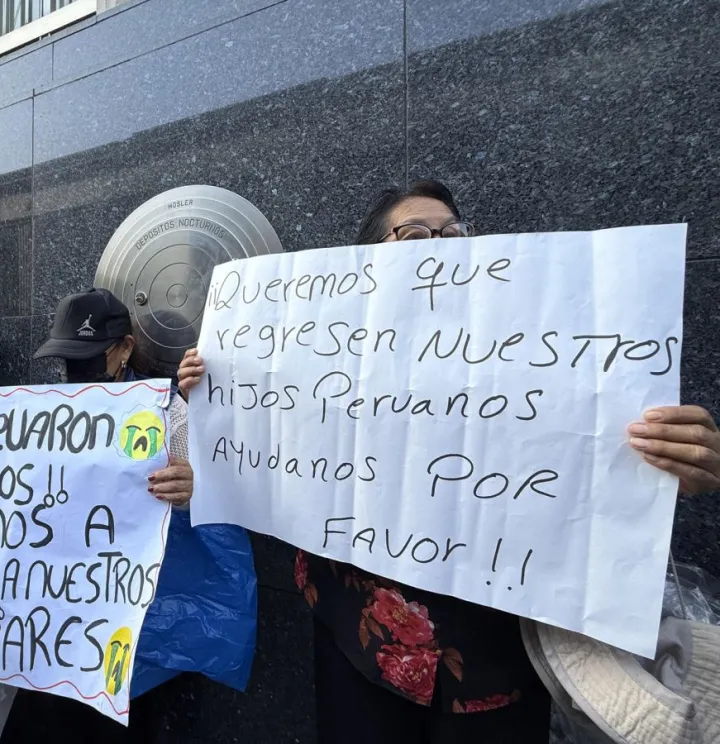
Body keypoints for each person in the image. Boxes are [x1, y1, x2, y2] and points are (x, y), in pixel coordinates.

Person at [176, 179, 720, 744]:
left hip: (496, 660)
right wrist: (217, 393)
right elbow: (261, 459)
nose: (438, 247)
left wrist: (669, 465)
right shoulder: (308, 357)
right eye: (412, 234)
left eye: (452, 233)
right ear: (364, 263)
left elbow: (592, 460)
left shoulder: (540, 350)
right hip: (356, 640)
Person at [30, 288, 257, 744]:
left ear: (125, 349)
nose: (77, 371)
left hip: (134, 614)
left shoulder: (168, 411)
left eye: (90, 357)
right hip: (57, 607)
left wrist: (194, 489)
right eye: (68, 360)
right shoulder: (42, 411)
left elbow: (218, 491)